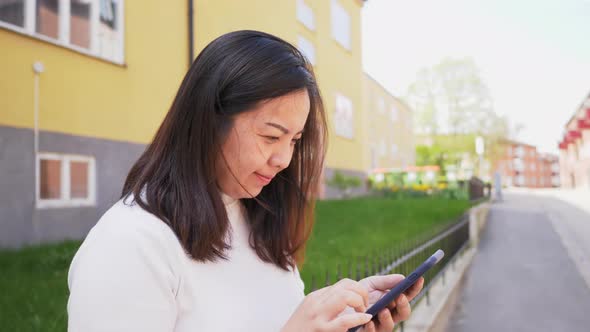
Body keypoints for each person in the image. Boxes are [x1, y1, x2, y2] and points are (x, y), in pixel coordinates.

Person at [67, 30, 424, 332]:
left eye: (294, 141)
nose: (284, 159)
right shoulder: (130, 244)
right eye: (271, 137)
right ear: (209, 121)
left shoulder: (258, 219)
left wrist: (341, 315)